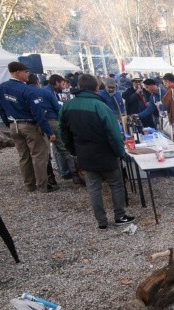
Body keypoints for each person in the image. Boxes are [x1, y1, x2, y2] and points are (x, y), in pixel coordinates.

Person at [59, 74, 134, 230]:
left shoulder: (67, 106)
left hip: (84, 154)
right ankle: (119, 216)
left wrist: (74, 151)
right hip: (105, 153)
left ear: (79, 86)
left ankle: (101, 222)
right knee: (116, 184)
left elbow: (64, 133)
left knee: (94, 188)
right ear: (96, 88)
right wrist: (119, 152)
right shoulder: (100, 106)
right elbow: (113, 133)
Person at [0, 61, 57, 193]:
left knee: (23, 157)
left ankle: (29, 185)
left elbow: (0, 108)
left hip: (14, 125)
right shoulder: (27, 90)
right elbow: (38, 113)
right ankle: (42, 185)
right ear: (18, 72)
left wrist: (9, 124)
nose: (28, 74)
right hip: (29, 125)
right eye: (26, 72)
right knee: (38, 155)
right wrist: (48, 131)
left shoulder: (2, 87)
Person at [43, 74, 83, 185]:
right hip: (53, 120)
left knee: (58, 148)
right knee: (63, 148)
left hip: (49, 121)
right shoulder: (49, 92)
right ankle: (74, 175)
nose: (64, 86)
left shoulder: (50, 91)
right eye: (62, 83)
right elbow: (58, 108)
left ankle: (65, 171)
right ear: (56, 82)